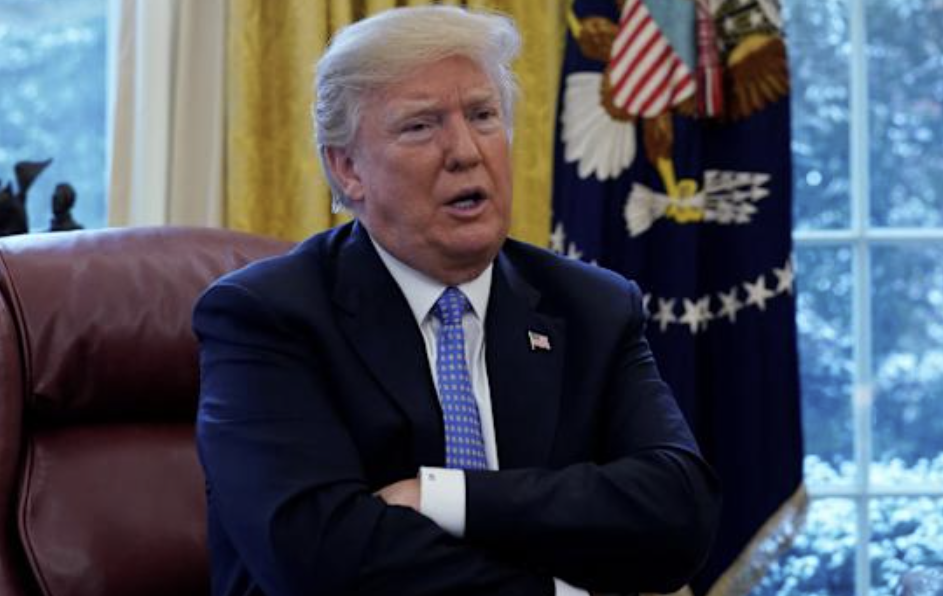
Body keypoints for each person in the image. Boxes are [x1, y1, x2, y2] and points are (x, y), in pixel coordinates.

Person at [193, 6, 721, 596]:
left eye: (482, 115)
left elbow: (679, 509)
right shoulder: (267, 316)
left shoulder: (591, 307)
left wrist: (446, 497)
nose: (465, 151)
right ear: (347, 168)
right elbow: (318, 555)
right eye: (421, 126)